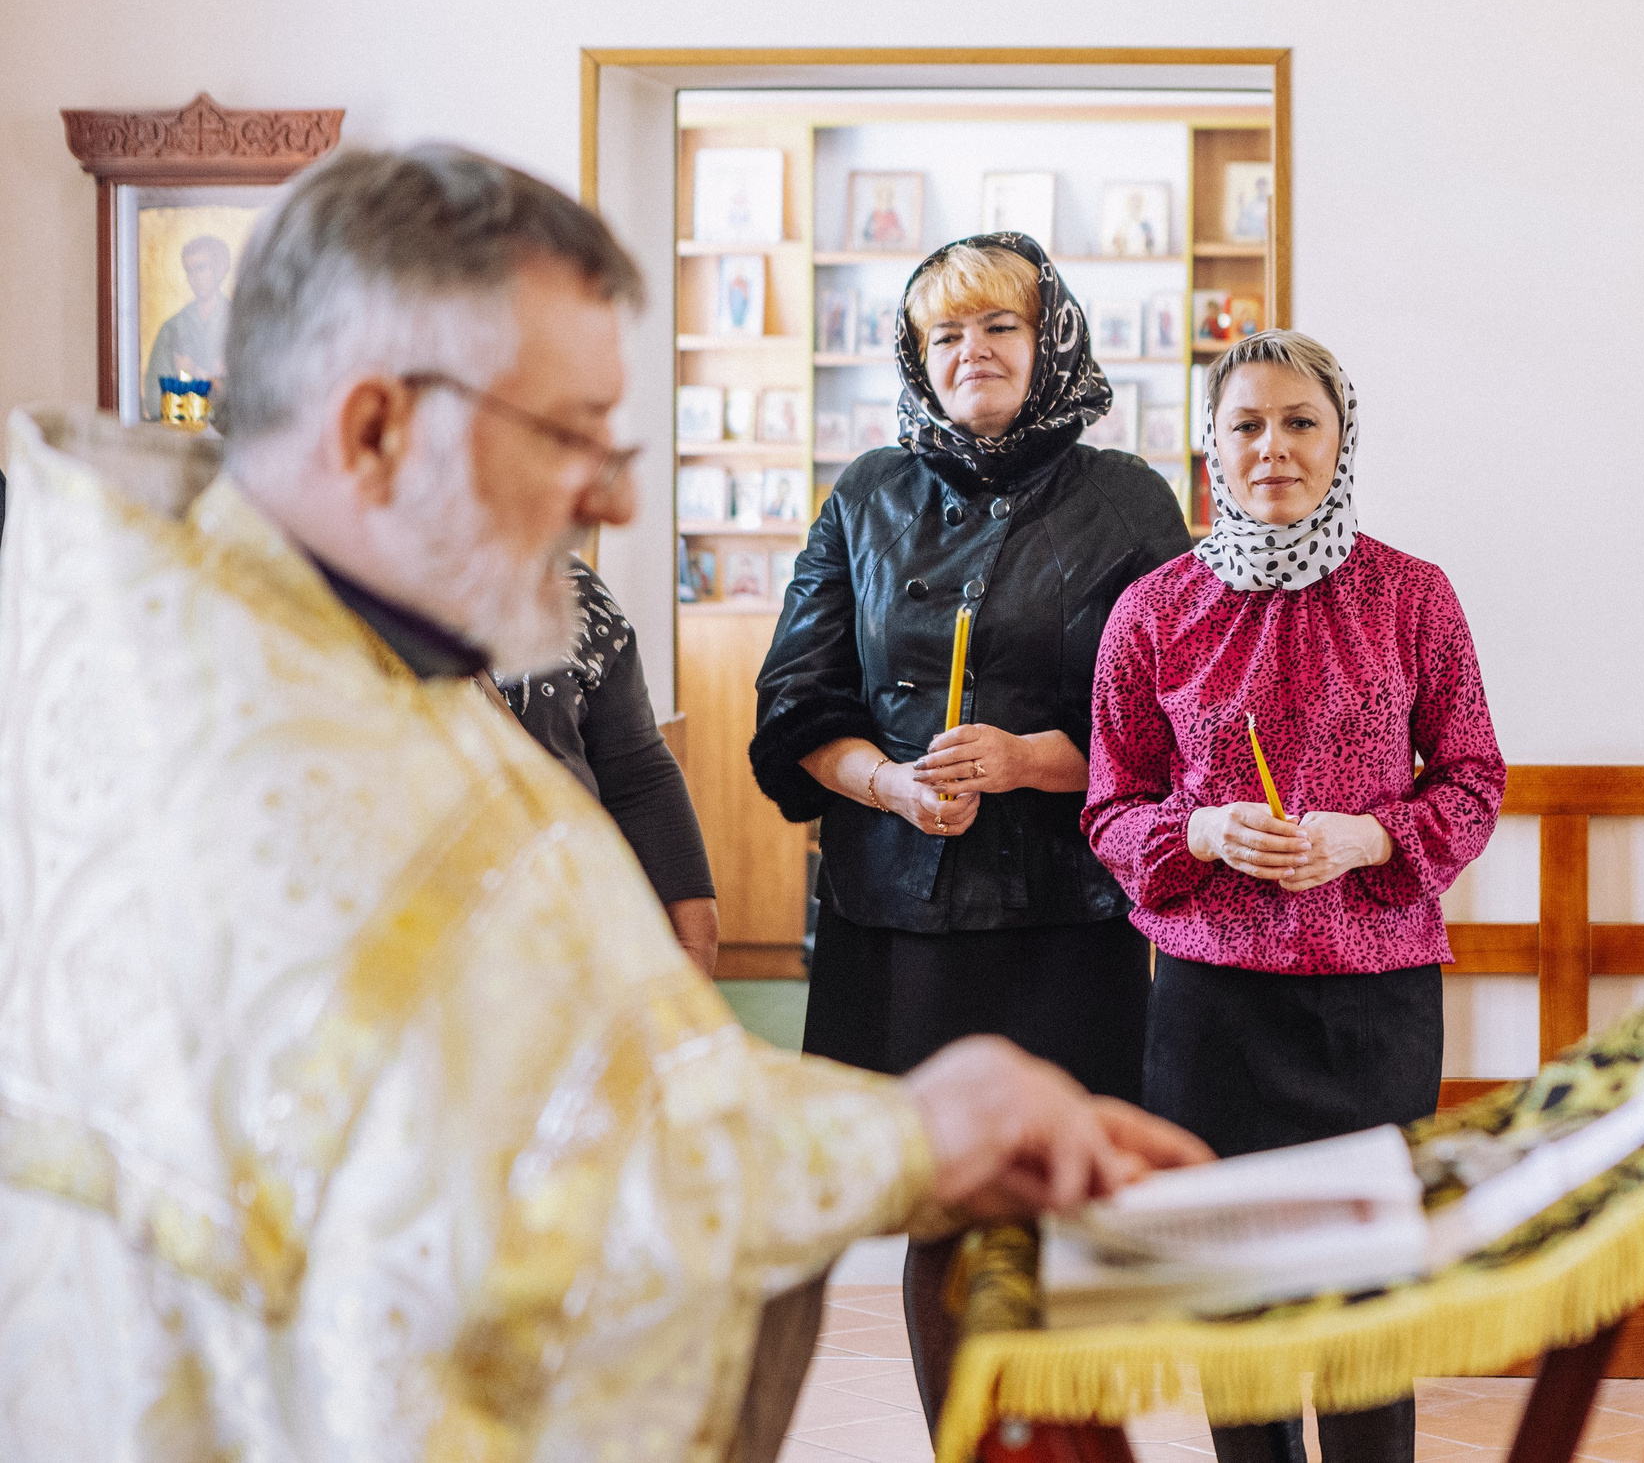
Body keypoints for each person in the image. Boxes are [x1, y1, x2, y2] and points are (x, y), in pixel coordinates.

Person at [0, 147, 1207, 1460]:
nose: (618, 496)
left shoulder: (287, 648)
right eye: (570, 433)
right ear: (372, 427)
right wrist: (907, 1133)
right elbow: (517, 1208)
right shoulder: (268, 757)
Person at [750, 231, 1192, 1417]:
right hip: (894, 918)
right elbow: (794, 708)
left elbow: (1182, 724)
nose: (973, 352)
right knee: (939, 1207)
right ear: (914, 356)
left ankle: (1076, 1443)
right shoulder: (864, 495)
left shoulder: (1131, 501)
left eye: (999, 326)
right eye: (945, 334)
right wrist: (890, 785)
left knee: (1068, 1200)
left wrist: (1039, 761)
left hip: (1064, 918)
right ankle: (971, 1444)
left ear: (1048, 341)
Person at [1085, 329, 1506, 1463]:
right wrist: (1204, 830)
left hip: (1372, 1003)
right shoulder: (1154, 612)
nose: (1274, 447)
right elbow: (1109, 810)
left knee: (1367, 1318)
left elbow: (1472, 779)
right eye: (1248, 424)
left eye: (1300, 421)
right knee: (1243, 1318)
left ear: (1341, 436)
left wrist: (1367, 836)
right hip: (1213, 1007)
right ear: (1211, 447)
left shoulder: (1411, 596)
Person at [498, 554, 721, 975]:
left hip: (574, 931)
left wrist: (693, 932)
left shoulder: (570, 584)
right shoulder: (348, 600)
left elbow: (635, 771)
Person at [142, 232, 235, 411]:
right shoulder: (172, 328)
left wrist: (196, 373)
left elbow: (254, 396)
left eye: (201, 268)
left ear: (219, 269)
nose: (195, 278)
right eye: (189, 271)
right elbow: (155, 398)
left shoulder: (240, 323)